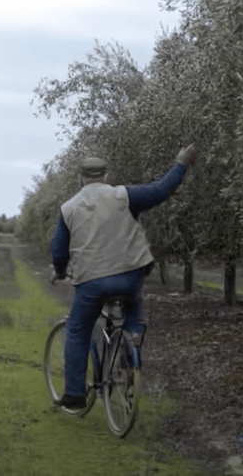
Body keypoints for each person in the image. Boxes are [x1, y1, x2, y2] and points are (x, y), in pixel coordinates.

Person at [49, 142, 199, 408]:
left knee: (77, 329)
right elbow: (161, 189)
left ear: (80, 179)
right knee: (134, 314)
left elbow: (59, 251)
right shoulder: (123, 196)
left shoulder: (69, 208)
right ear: (107, 176)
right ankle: (129, 356)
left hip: (92, 282)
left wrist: (60, 271)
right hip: (130, 275)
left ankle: (74, 394)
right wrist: (181, 164)